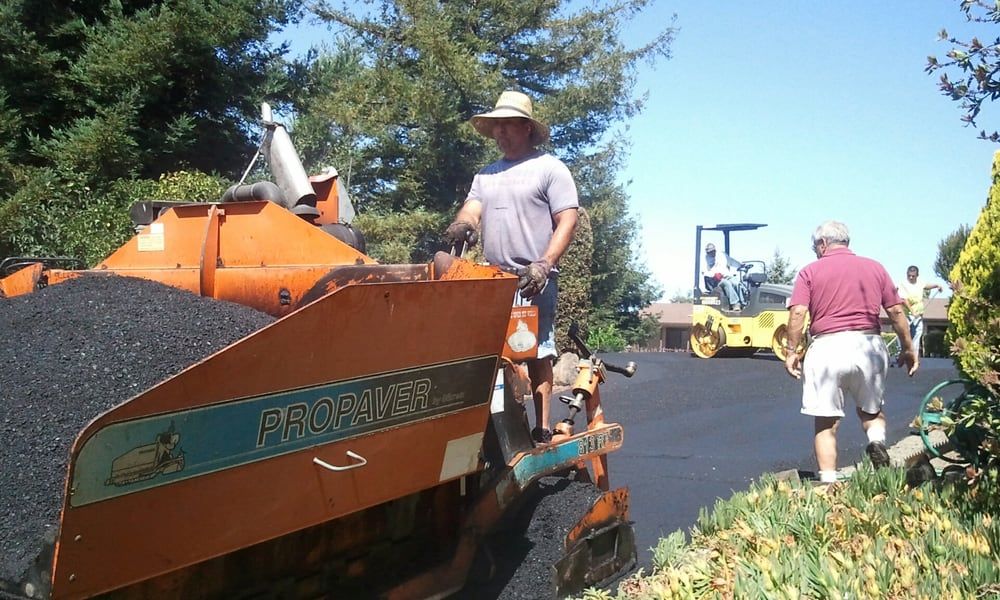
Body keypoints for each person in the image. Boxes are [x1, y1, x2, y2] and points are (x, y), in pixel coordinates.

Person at [443, 90, 579, 445]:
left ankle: (542, 426)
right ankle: (492, 425)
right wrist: (463, 224)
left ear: (526, 128)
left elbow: (568, 219)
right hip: (495, 279)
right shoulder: (487, 176)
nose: (500, 133)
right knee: (491, 352)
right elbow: (472, 208)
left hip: (534, 278)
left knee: (536, 350)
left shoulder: (550, 169)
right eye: (496, 127)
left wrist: (545, 264)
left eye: (507, 126)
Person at [783, 221, 917, 484]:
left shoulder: (810, 272)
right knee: (871, 412)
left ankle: (829, 482)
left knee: (826, 423)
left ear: (822, 244)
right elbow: (896, 311)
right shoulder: (875, 267)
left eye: (815, 247)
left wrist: (791, 350)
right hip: (868, 345)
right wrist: (908, 348)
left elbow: (798, 312)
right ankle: (876, 442)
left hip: (827, 347)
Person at [896, 265, 943, 357]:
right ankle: (900, 354)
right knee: (903, 334)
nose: (911, 277)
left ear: (917, 276)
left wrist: (937, 285)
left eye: (913, 276)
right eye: (909, 275)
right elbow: (904, 300)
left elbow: (927, 286)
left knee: (917, 335)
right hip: (907, 315)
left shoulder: (920, 283)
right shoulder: (903, 284)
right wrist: (912, 312)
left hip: (919, 315)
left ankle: (913, 356)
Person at [701, 242, 744, 310]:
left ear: (715, 250)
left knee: (736, 283)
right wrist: (714, 275)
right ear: (707, 253)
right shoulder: (706, 259)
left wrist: (740, 265)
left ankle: (743, 303)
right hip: (716, 280)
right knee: (727, 283)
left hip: (726, 276)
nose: (712, 253)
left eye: (713, 251)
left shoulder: (722, 255)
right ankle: (735, 303)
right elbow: (705, 272)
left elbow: (731, 261)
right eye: (709, 252)